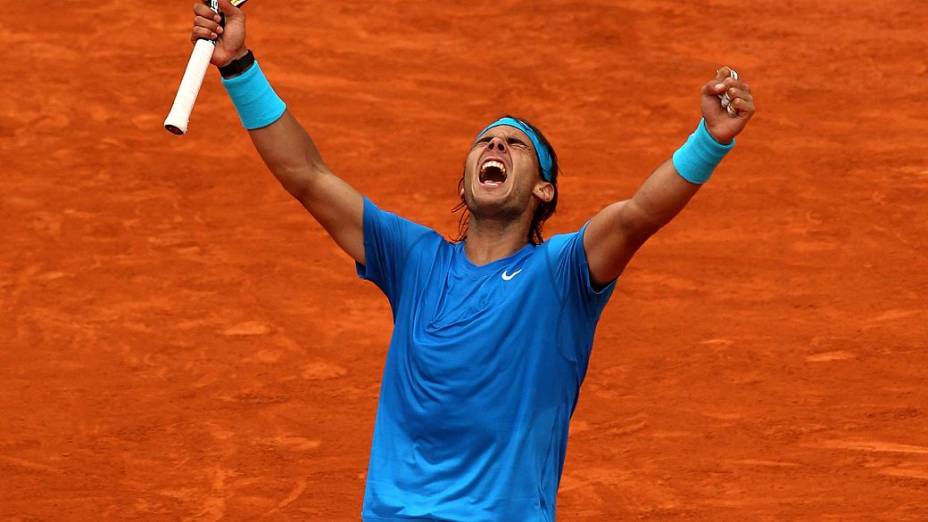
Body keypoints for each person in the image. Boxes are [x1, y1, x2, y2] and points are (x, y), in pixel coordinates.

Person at [190, 1, 756, 520]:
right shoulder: (414, 260)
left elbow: (637, 215)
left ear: (543, 191)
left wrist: (710, 139)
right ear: (465, 187)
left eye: (515, 146)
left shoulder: (561, 276)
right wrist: (238, 65)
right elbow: (306, 176)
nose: (494, 149)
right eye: (485, 142)